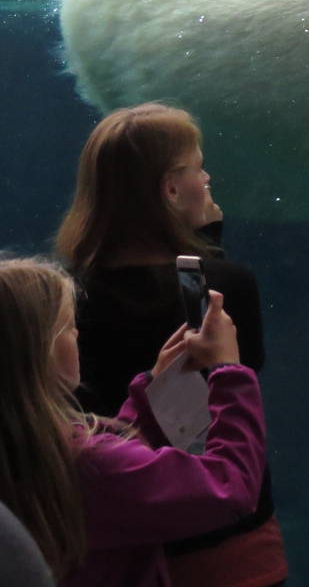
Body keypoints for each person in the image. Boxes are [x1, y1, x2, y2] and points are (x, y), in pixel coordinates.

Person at [55, 103, 287, 587]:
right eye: (198, 167)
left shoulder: (63, 300)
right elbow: (238, 381)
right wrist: (209, 244)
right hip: (225, 542)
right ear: (171, 189)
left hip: (114, 542)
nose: (208, 177)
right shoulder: (228, 285)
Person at [0, 256, 267, 587]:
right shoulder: (93, 466)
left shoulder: (27, 451)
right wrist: (229, 372)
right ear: (39, 352)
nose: (78, 333)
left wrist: (155, 392)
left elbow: (115, 466)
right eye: (68, 326)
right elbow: (230, 487)